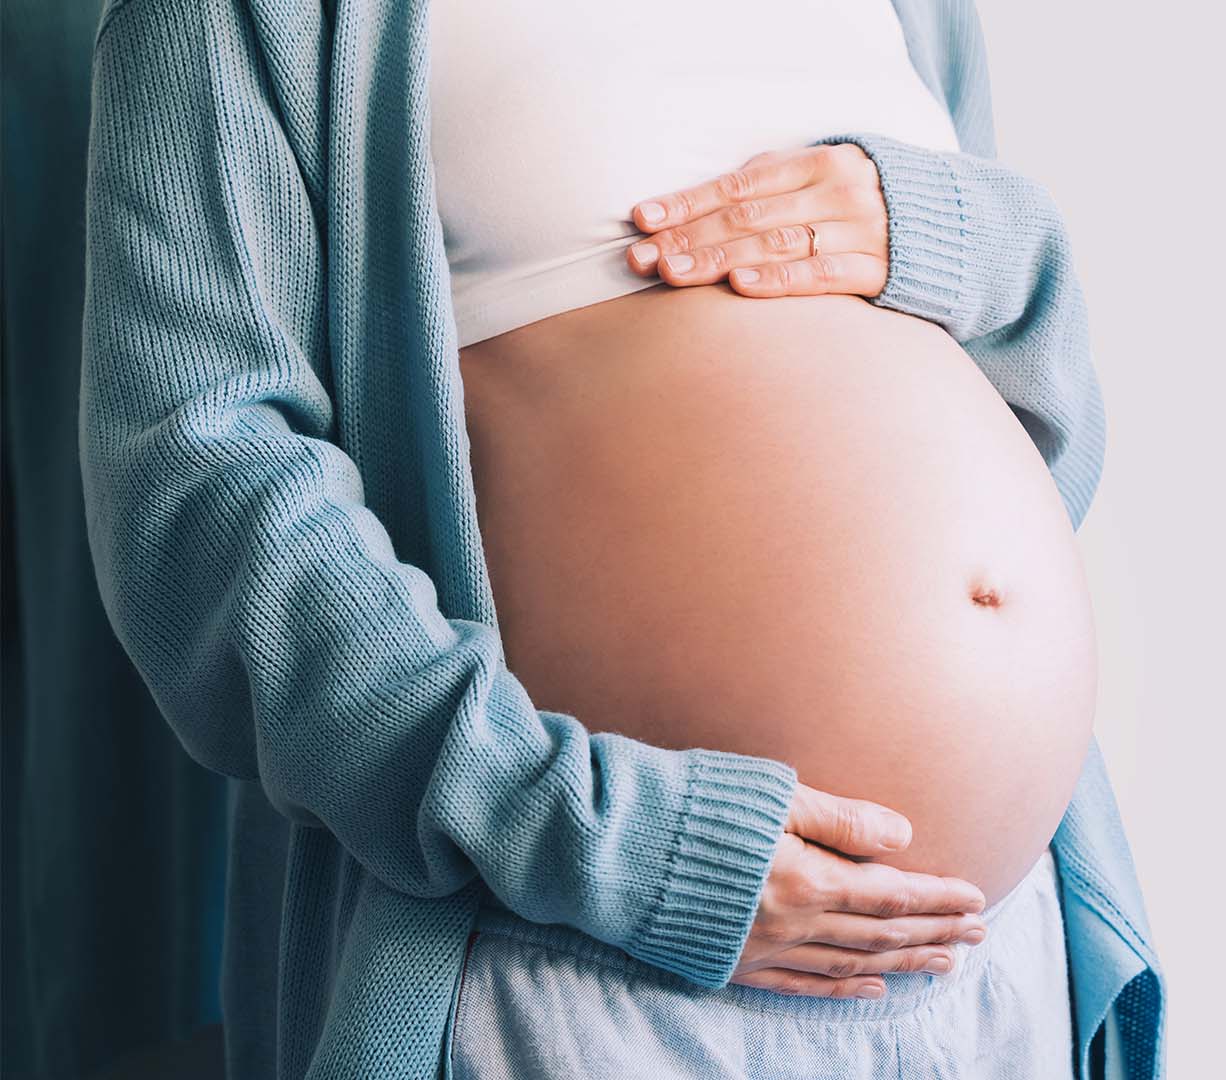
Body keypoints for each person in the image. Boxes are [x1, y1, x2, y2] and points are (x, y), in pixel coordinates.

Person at [78, 0, 1164, 1077]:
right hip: (586, 954)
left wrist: (971, 234)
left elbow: (1035, 389)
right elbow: (199, 488)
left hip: (990, 970)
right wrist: (600, 843)